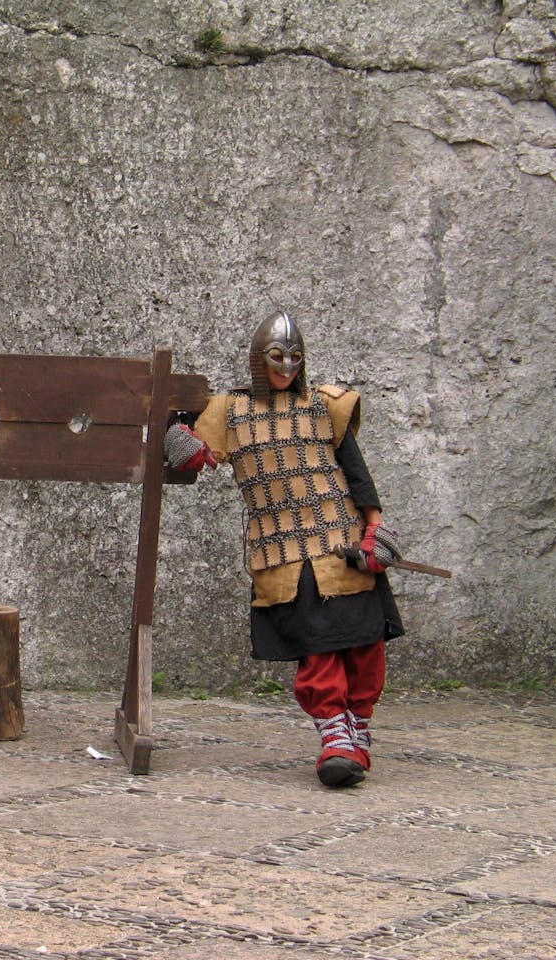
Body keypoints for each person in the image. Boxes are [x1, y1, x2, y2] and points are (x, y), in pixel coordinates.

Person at [165, 310, 404, 788]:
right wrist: (179, 440)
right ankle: (335, 736)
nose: (288, 366)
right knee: (318, 649)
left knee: (362, 645)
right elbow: (178, 437)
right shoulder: (231, 412)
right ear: (259, 360)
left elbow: (357, 473)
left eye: (296, 357)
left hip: (343, 543)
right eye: (278, 357)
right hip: (285, 552)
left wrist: (376, 529)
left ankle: (357, 731)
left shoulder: (324, 406)